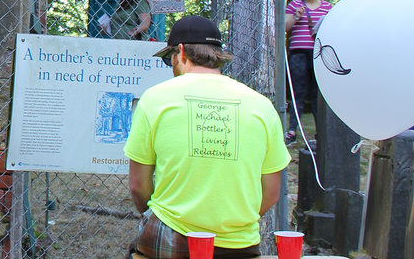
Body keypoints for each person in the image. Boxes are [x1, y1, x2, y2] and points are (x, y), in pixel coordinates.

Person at [124, 15, 290, 259]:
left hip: (173, 236)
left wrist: (159, 218)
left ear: (180, 52)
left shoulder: (155, 98)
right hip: (239, 245)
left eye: (168, 58)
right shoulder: (261, 105)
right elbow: (272, 193)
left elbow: (138, 185)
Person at [284, 0, 332, 143]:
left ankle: (321, 133)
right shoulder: (295, 5)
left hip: (319, 54)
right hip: (298, 53)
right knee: (298, 92)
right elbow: (285, 26)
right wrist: (296, 17)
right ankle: (292, 131)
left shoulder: (327, 7)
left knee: (317, 94)